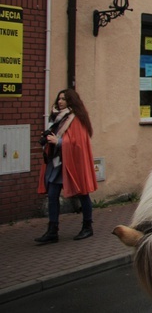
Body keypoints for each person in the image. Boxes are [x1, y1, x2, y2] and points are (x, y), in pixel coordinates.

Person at [35, 89, 98, 243]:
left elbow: (79, 143)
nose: (60, 101)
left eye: (64, 99)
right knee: (52, 195)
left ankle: (87, 226)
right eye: (59, 98)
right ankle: (52, 230)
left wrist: (60, 142)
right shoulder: (56, 117)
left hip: (73, 163)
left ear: (71, 101)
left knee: (83, 193)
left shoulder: (76, 119)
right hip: (57, 163)